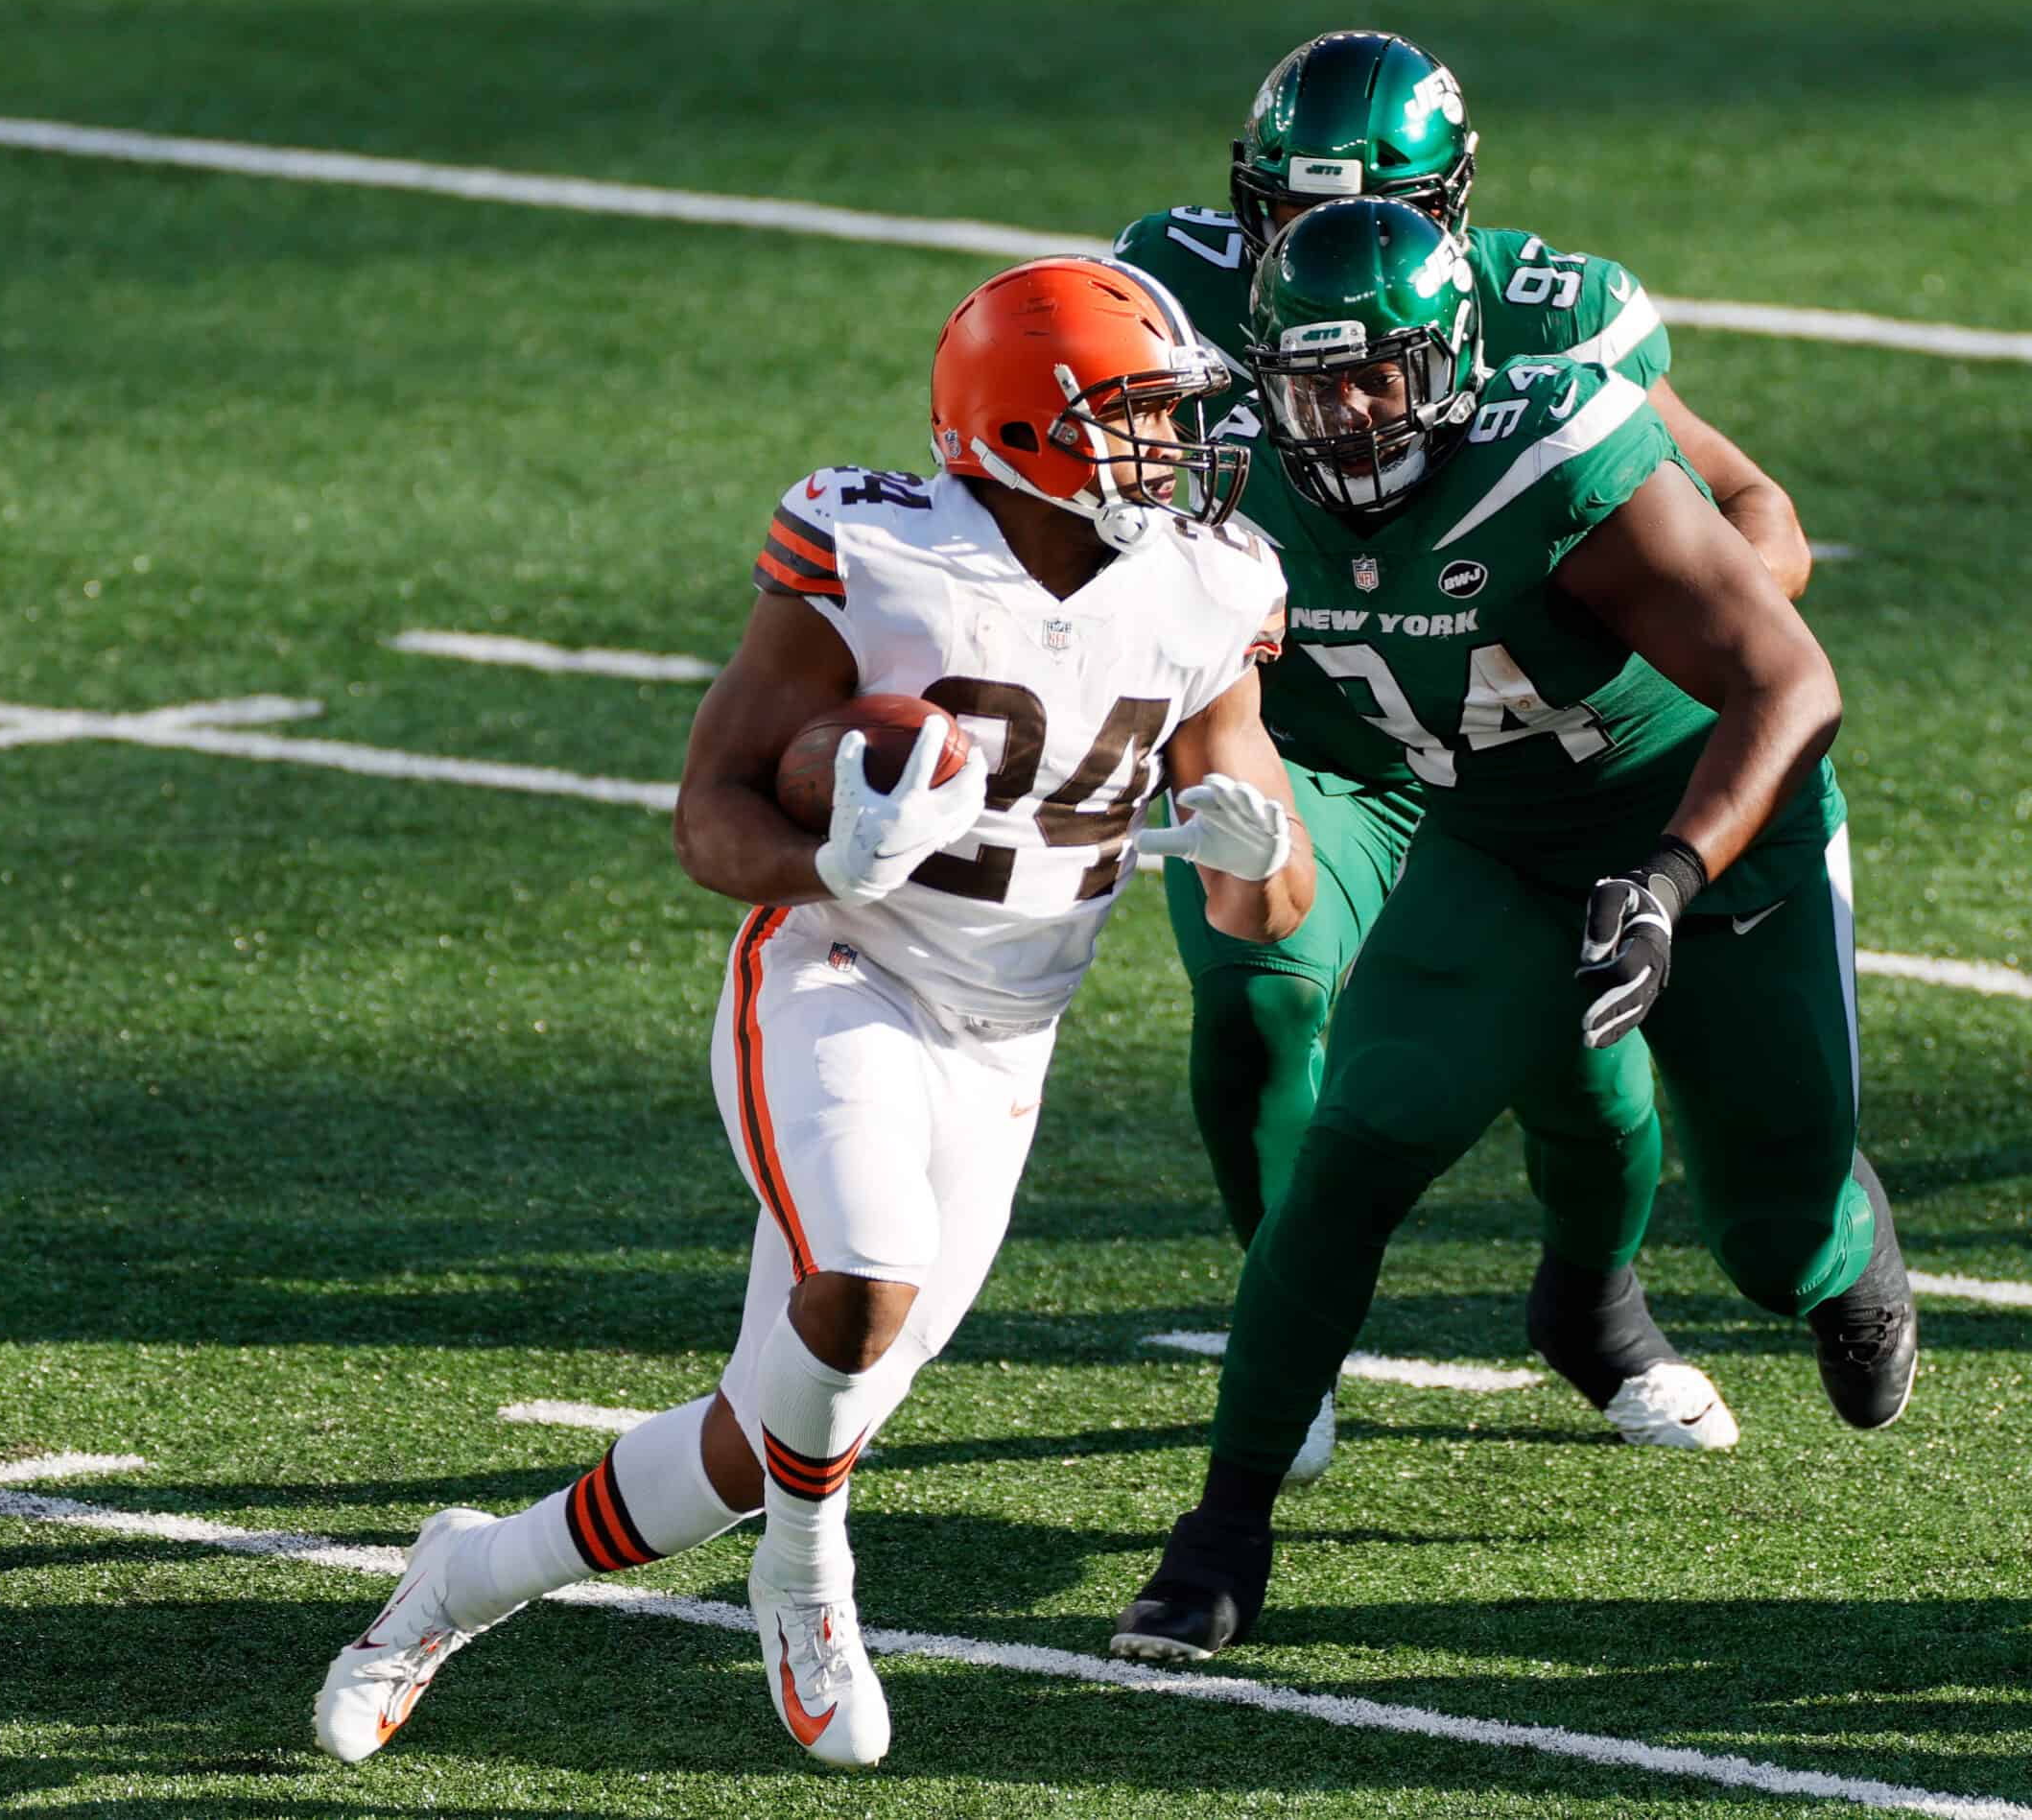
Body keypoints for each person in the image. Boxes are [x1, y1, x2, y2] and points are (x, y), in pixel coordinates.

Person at [314, 255, 1314, 1767]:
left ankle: (459, 1579)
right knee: (864, 1278)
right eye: (1140, 418)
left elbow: (1267, 904)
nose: (1177, 451)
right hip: (841, 970)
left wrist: (1259, 858)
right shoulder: (883, 554)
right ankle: (809, 1576)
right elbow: (709, 815)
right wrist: (825, 858)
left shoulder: (1213, 581)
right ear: (1029, 433)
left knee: (770, 1425)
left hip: (1009, 1039)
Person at [1109, 199, 1917, 1664]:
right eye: (1309, 380)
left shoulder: (1556, 454)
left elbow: (1790, 686)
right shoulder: (1238, 499)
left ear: (1458, 365)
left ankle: (1839, 1228)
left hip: (1716, 837)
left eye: (1380, 377)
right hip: (1495, 844)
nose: (1346, 416)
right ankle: (1221, 1530)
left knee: (1771, 1237)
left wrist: (1671, 881)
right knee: (1361, 1144)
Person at [1115, 30, 1813, 1475]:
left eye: (1355, 214)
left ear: (1451, 213)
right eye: (1283, 219)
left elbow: (1755, 511)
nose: (1318, 261)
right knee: (1260, 988)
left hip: (1518, 732)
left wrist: (1679, 634)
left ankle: (1597, 1302)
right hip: (1312, 731)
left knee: (1585, 1058)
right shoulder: (1168, 292)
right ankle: (1285, 1339)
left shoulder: (1545, 317)